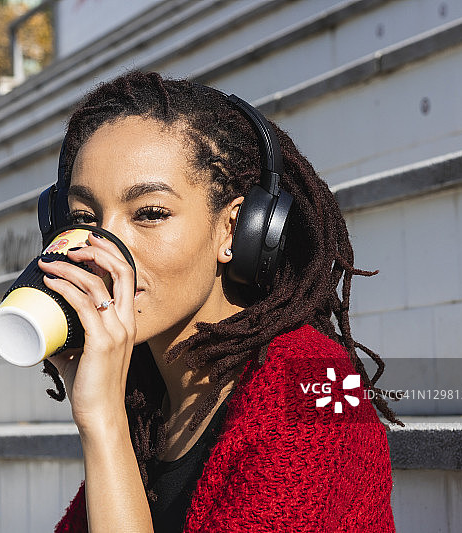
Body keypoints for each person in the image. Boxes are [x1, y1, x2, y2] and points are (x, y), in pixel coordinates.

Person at [35, 71, 402, 533]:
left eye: (149, 213)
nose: (105, 250)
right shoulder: (148, 407)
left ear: (236, 229)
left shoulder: (313, 388)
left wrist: (102, 422)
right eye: (85, 218)